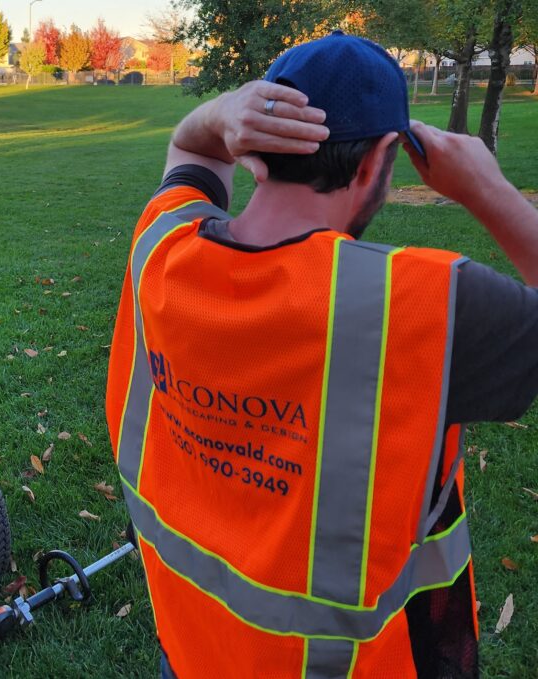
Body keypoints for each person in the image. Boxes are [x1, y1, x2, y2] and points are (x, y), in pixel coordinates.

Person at [106, 31, 538, 679]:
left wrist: (221, 115)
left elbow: (189, 147)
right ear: (377, 162)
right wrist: (488, 191)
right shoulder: (425, 305)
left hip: (193, 653)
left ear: (250, 151)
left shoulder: (161, 247)